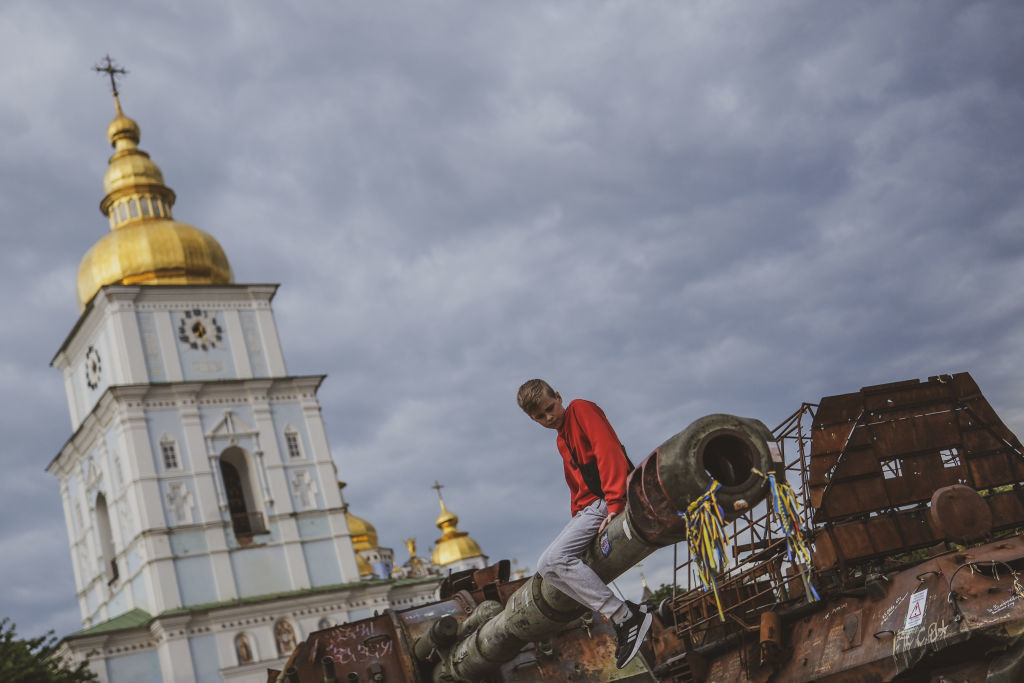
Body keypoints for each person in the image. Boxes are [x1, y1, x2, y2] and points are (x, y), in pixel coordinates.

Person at [517, 378, 653, 669]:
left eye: (550, 408)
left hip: (609, 496)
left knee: (553, 560)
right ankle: (622, 616)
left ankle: (626, 617)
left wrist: (616, 504)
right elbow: (576, 484)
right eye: (539, 417)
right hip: (590, 506)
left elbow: (608, 452)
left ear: (559, 396)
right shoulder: (560, 438)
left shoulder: (581, 410)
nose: (548, 417)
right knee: (546, 569)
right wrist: (576, 523)